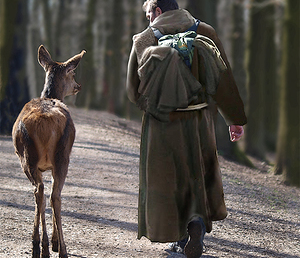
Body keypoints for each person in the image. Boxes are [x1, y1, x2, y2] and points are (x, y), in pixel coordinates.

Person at [126, 0, 247, 257]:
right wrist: (234, 118)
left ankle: (179, 237)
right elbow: (223, 78)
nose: (148, 20)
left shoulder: (144, 39)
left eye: (148, 14)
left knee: (169, 178)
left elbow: (132, 90)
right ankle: (196, 224)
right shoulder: (205, 31)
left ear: (158, 11)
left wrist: (152, 104)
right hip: (199, 120)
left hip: (162, 124)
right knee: (198, 174)